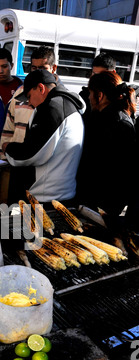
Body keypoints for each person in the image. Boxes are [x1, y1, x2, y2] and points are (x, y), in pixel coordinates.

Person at [3, 70, 85, 205]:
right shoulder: (69, 104)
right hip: (62, 192)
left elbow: (31, 153)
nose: (29, 103)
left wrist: (9, 148)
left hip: (47, 196)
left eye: (29, 96)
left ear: (41, 88)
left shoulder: (53, 107)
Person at [77, 70, 139, 236]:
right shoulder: (104, 117)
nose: (89, 98)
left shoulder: (116, 123)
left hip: (102, 204)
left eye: (90, 93)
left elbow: (121, 172)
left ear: (100, 95)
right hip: (96, 200)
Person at [0, 46, 63, 159]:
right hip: (16, 162)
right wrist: (4, 157)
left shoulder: (60, 99)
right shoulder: (19, 93)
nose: (38, 72)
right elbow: (8, 129)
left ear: (53, 68)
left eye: (43, 68)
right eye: (34, 68)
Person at [80, 52, 116, 123]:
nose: (95, 79)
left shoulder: (119, 98)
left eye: (101, 75)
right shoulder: (84, 95)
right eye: (94, 74)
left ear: (113, 73)